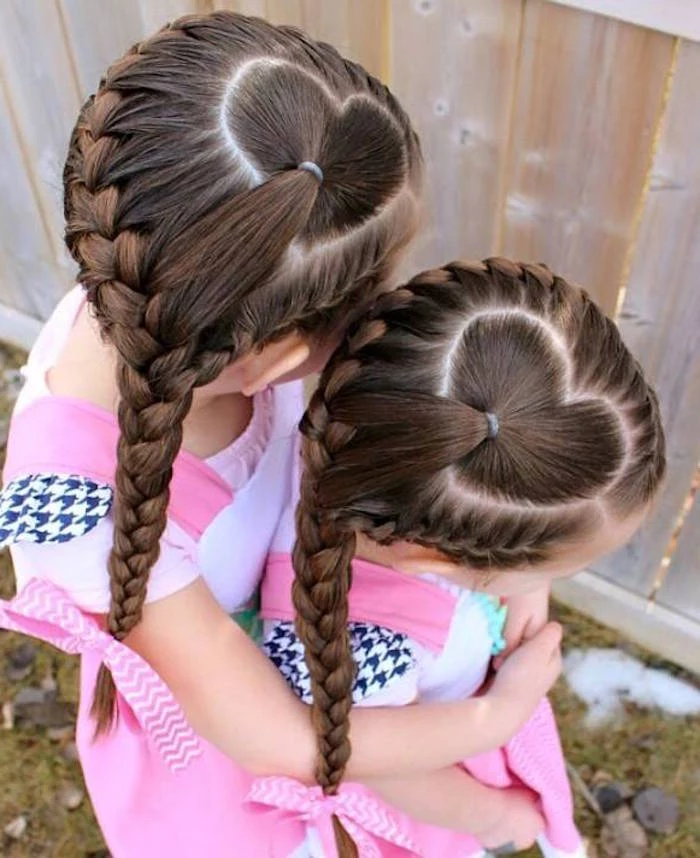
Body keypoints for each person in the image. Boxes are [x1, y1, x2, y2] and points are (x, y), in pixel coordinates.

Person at [0, 14, 557, 857]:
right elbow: (278, 739)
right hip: (225, 768)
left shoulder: (162, 281)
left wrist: (512, 564)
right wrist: (493, 724)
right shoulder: (81, 513)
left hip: (346, 681)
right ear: (283, 358)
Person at [259, 258, 666, 856]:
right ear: (442, 564)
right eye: (547, 569)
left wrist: (526, 588)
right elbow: (380, 763)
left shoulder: (375, 431)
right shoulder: (367, 649)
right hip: (431, 792)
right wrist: (494, 810)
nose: (547, 584)